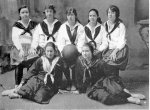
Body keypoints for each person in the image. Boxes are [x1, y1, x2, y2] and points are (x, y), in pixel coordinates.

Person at [86, 5, 145, 105]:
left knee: (109, 68)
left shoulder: (120, 25)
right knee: (109, 73)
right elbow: (105, 42)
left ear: (116, 14)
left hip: (119, 49)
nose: (110, 14)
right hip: (108, 50)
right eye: (109, 12)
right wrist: (99, 50)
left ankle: (126, 94)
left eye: (113, 12)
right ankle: (127, 93)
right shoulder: (104, 25)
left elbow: (122, 41)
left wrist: (114, 51)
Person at [56, 7, 86, 91]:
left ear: (75, 16)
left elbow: (81, 41)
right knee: (62, 62)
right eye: (68, 15)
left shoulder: (80, 27)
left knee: (75, 61)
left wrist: (77, 52)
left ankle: (73, 82)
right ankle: (69, 81)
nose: (70, 17)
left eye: (72, 14)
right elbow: (60, 41)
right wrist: (62, 52)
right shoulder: (62, 27)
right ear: (66, 16)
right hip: (65, 52)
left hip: (76, 52)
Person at [11, 5, 38, 87]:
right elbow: (15, 39)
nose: (25, 14)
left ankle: (29, 84)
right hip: (19, 48)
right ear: (20, 14)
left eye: (26, 12)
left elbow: (36, 37)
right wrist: (20, 49)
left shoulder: (33, 24)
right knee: (19, 62)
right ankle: (17, 85)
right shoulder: (16, 26)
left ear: (29, 13)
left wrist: (33, 47)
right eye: (23, 12)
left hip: (30, 47)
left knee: (32, 62)